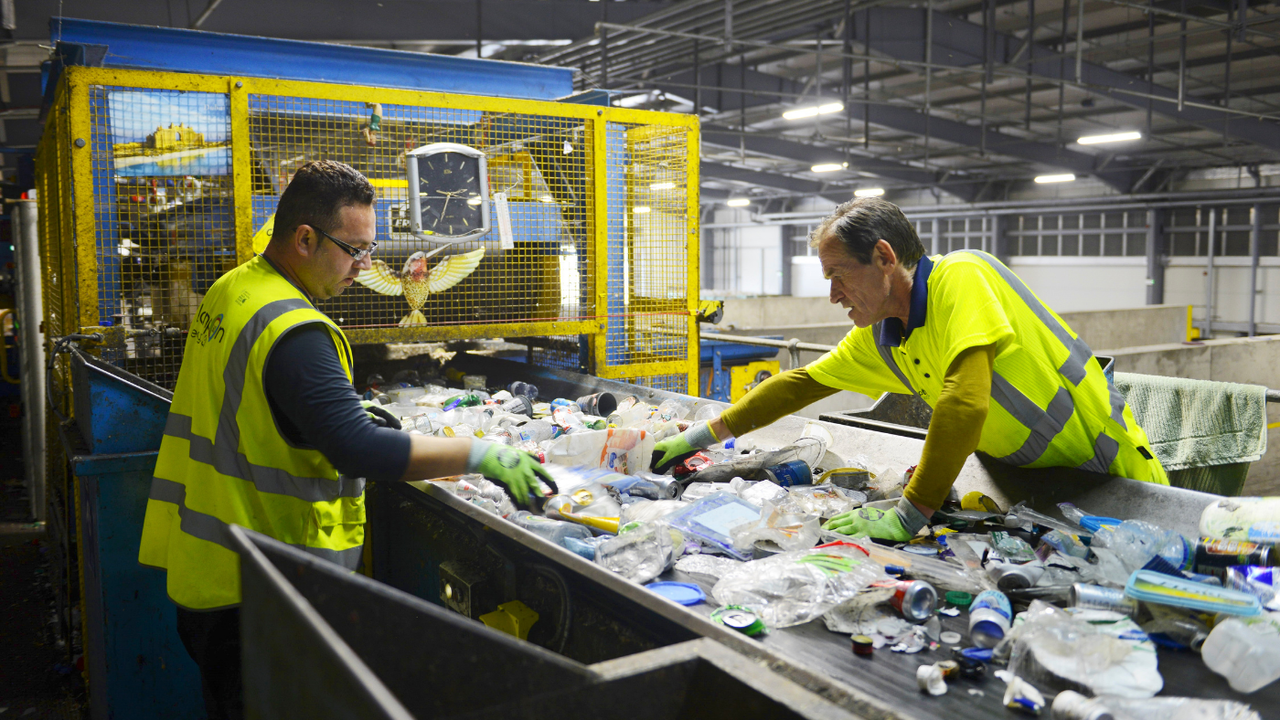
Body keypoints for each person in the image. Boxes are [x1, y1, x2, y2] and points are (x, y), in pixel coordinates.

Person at [137, 160, 551, 720]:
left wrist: (337, 409)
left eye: (370, 251)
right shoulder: (295, 329)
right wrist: (483, 453)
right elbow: (358, 449)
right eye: (354, 250)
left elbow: (254, 405)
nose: (363, 267)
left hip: (211, 568)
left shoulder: (235, 288)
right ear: (304, 238)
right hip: (263, 590)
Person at [654, 197, 1166, 541]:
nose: (832, 295)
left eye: (837, 275)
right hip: (1033, 488)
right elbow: (802, 384)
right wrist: (702, 433)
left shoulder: (963, 276)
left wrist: (910, 511)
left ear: (882, 256)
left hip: (1112, 479)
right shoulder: (885, 336)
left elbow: (964, 402)